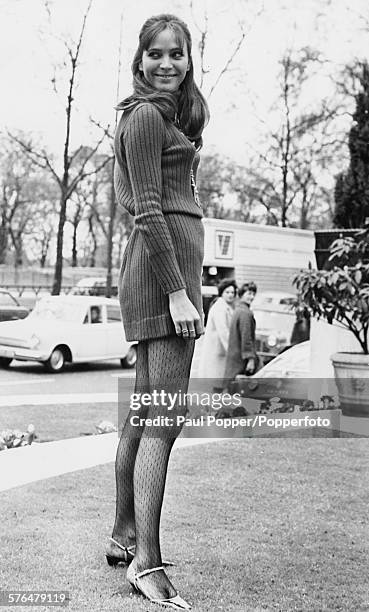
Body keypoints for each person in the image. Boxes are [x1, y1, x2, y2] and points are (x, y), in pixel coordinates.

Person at [107, 14, 209, 610]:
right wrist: (177, 291)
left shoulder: (157, 118)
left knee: (144, 415)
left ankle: (124, 536)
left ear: (188, 60)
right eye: (156, 54)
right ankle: (146, 561)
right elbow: (146, 211)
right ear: (140, 60)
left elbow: (151, 200)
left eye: (177, 54)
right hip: (160, 284)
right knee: (163, 421)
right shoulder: (145, 118)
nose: (167, 64)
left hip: (159, 278)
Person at [198, 279, 237, 388]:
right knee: (216, 384)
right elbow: (223, 331)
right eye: (227, 292)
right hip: (217, 351)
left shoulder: (226, 307)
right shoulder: (220, 308)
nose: (230, 295)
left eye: (232, 292)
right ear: (222, 292)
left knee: (217, 384)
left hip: (220, 351)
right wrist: (231, 350)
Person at [223, 282, 258, 389]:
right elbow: (246, 337)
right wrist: (251, 359)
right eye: (249, 293)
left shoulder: (238, 310)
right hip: (240, 360)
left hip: (234, 357)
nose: (251, 297)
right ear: (242, 294)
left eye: (253, 294)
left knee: (229, 389)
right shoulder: (245, 313)